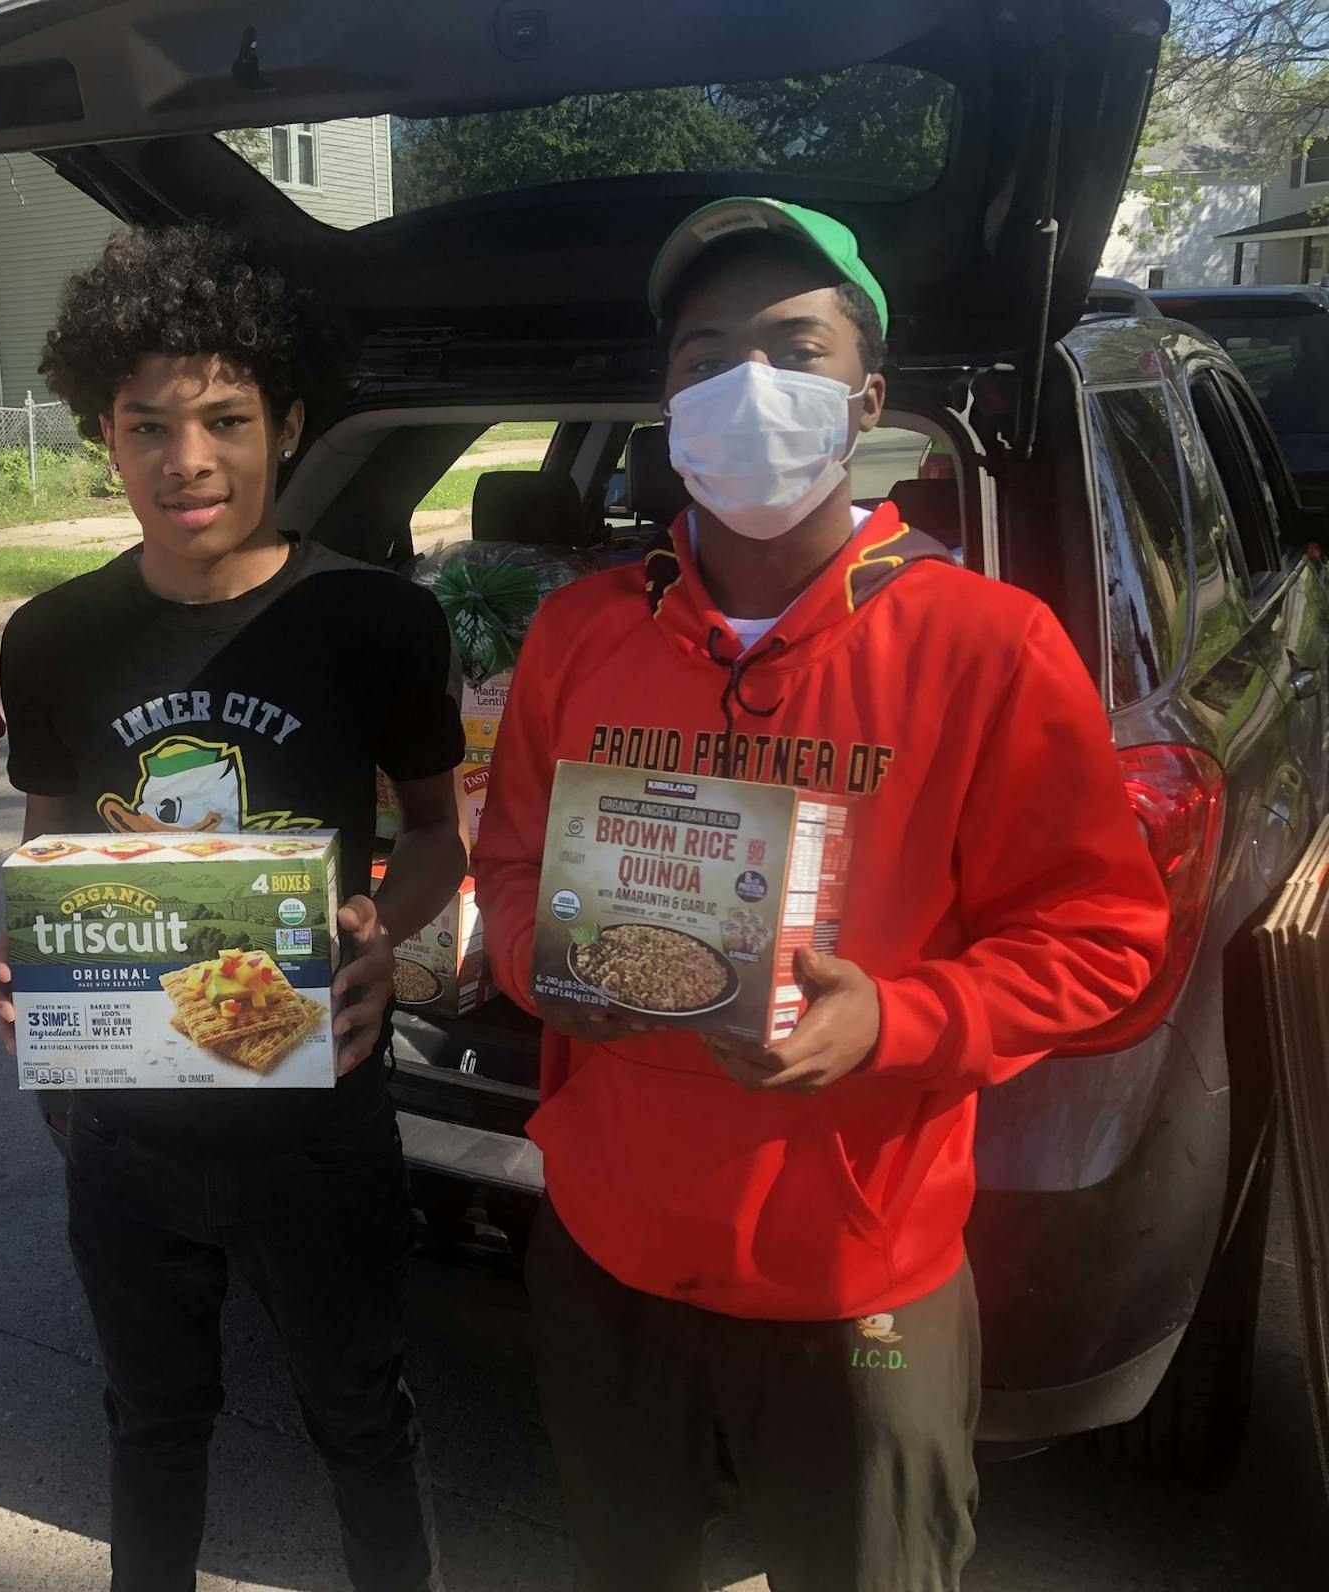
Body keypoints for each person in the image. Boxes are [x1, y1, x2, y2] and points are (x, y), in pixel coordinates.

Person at [472, 198, 1171, 1591]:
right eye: (702, 356)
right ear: (666, 405)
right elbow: (507, 864)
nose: (744, 387)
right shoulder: (581, 634)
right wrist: (538, 969)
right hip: (607, 1253)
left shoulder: (988, 646)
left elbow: (1103, 943)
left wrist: (898, 1023)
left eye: (792, 347)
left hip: (858, 1282)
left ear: (865, 399)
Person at [0, 224, 466, 1592]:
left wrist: (381, 932)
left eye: (226, 420)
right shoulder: (59, 636)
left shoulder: (377, 622)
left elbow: (436, 837)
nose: (186, 458)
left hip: (322, 1125)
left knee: (361, 1419)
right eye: (147, 426)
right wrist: (21, 965)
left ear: (289, 424)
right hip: (126, 1136)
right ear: (104, 435)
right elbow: (52, 848)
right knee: (150, 1420)